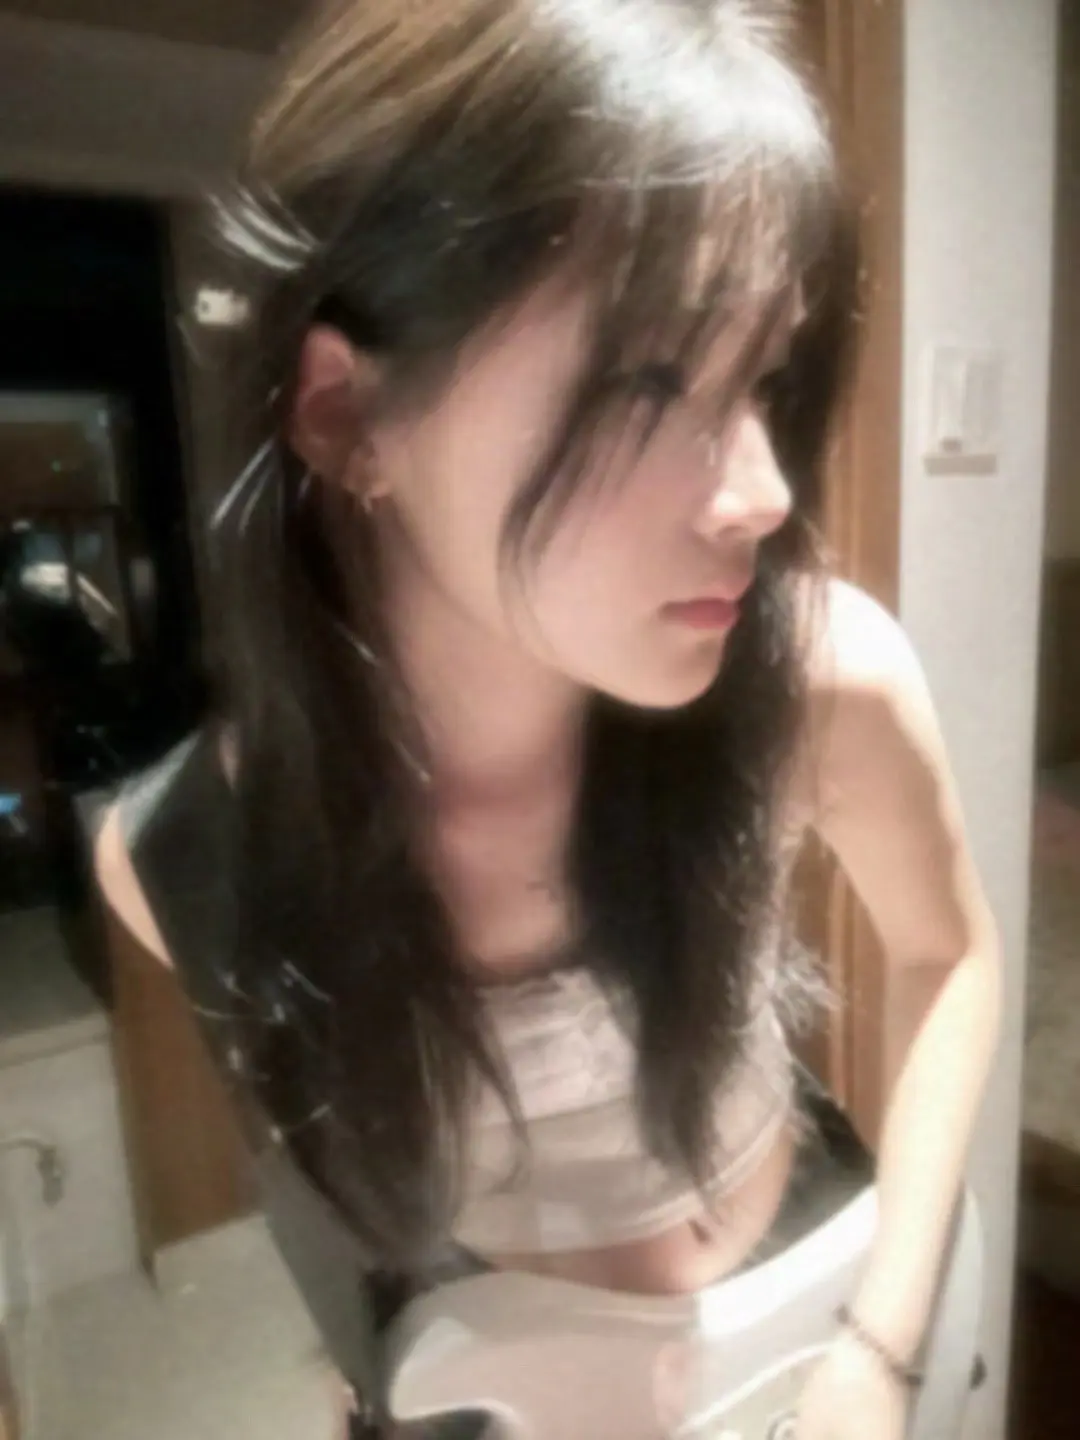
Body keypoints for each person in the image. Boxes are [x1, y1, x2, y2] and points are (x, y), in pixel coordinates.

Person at [96, 1, 1001, 1436]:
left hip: (808, 1334)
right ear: (347, 418)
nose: (765, 493)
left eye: (764, 379)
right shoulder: (191, 860)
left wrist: (881, 1352)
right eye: (646, 380)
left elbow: (951, 954)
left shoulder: (820, 686)